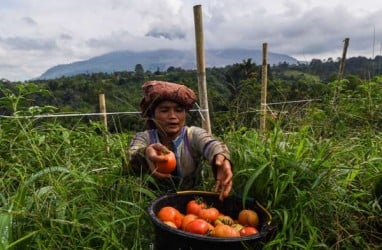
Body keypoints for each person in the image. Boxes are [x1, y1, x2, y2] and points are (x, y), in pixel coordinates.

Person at [124, 80, 233, 200]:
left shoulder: (192, 135)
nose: (172, 116)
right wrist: (145, 153)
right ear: (152, 115)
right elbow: (130, 155)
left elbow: (210, 144)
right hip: (149, 201)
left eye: (179, 110)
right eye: (164, 110)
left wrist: (221, 157)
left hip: (191, 202)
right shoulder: (144, 137)